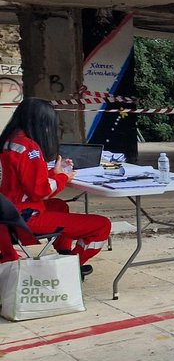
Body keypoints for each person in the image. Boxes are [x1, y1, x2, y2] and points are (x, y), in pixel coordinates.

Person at [0, 98, 111, 275]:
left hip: (8, 211)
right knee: (102, 225)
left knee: (60, 205)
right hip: (24, 216)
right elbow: (40, 191)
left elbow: (25, 182)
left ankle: (64, 253)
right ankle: (73, 267)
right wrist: (62, 177)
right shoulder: (30, 148)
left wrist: (56, 172)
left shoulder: (11, 141)